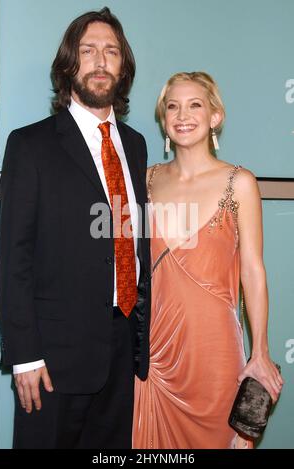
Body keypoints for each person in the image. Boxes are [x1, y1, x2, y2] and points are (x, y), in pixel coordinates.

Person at [0, 7, 150, 449]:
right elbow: (14, 260)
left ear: (123, 69)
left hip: (122, 353)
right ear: (69, 64)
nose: (101, 62)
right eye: (88, 51)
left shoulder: (136, 146)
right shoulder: (30, 145)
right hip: (52, 362)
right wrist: (24, 355)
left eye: (112, 52)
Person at [132, 72, 283, 449]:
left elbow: (253, 270)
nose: (183, 114)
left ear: (215, 116)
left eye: (195, 104)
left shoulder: (239, 183)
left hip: (214, 356)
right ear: (163, 119)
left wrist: (260, 350)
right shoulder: (144, 182)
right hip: (154, 358)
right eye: (172, 106)